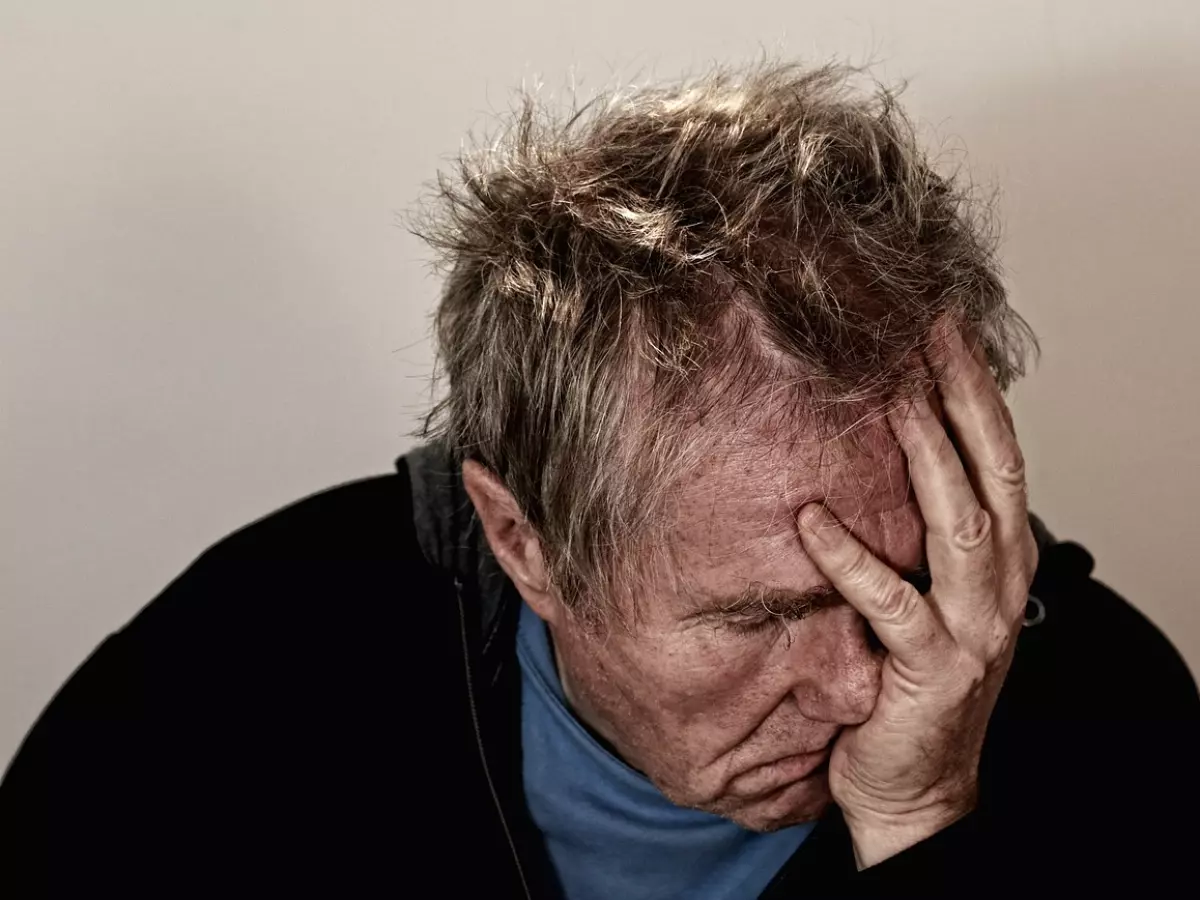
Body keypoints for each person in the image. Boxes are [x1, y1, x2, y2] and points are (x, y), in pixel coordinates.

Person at [1, 59, 1197, 898]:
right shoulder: (230, 687)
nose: (857, 689)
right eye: (759, 614)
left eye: (909, 579)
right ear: (525, 540)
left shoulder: (1112, 718)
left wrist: (923, 826)